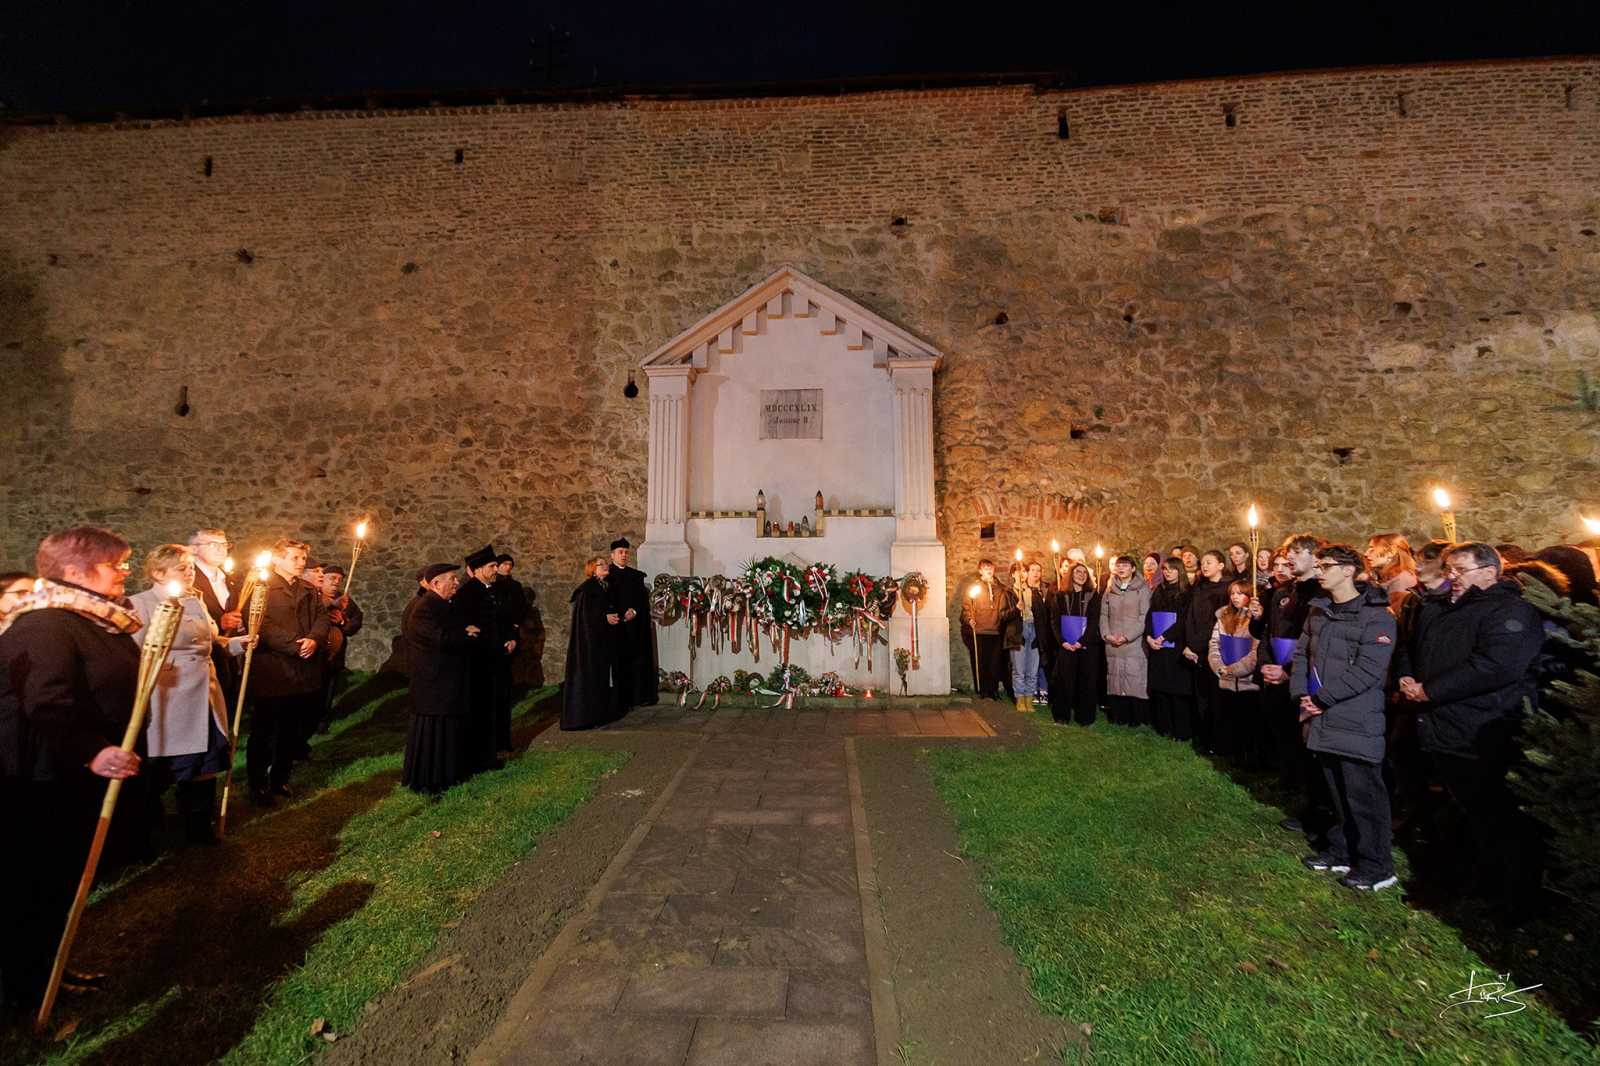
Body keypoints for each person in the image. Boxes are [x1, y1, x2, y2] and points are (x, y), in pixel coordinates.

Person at [0, 527, 146, 1007]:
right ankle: (26, 990)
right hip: (39, 779)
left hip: (68, 776)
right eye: (116, 564)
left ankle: (50, 967)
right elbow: (46, 702)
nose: (125, 571)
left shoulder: (93, 619)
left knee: (60, 880)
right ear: (75, 572)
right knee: (34, 884)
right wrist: (92, 750)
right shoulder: (45, 625)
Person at [1397, 542, 1547, 920]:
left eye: (1459, 570)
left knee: (1489, 817)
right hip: (1433, 725)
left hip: (1479, 729)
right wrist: (1406, 676)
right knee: (1446, 812)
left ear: (1490, 571)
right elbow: (1410, 646)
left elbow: (1497, 665)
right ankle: (1450, 880)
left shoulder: (1511, 611)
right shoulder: (1441, 609)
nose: (1451, 577)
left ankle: (1508, 898)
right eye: (1448, 570)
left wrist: (1431, 690)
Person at [129, 545, 252, 846]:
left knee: (205, 763)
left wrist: (238, 644)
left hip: (205, 695)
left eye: (191, 567)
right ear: (158, 573)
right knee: (164, 766)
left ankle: (199, 826)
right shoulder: (140, 604)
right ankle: (146, 831)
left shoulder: (195, 600)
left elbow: (212, 642)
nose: (190, 572)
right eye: (181, 568)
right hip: (169, 699)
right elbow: (134, 654)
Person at [1293, 544, 1399, 891]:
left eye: (1326, 566)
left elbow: (1370, 669)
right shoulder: (1319, 611)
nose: (1319, 571)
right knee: (1335, 790)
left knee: (1363, 796)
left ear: (1350, 570)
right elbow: (1301, 655)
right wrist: (1301, 695)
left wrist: (1322, 698)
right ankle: (1341, 850)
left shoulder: (1377, 615)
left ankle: (1376, 864)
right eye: (1319, 565)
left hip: (1355, 718)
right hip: (1320, 716)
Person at [1251, 534, 1332, 837]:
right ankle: (1292, 784)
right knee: (1285, 737)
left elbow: (1311, 643)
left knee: (1307, 745)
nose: (1290, 558)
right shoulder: (1280, 592)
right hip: (1274, 673)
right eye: (1288, 553)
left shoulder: (1321, 595)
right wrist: (1265, 665)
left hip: (1301, 678)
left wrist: (1287, 671)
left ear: (1315, 558)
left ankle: (1316, 807)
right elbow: (1267, 632)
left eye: (1297, 553)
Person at [246, 539, 329, 805]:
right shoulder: (262, 587)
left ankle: (280, 777)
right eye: (295, 558)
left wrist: (314, 639)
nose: (301, 563)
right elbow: (262, 623)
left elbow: (321, 617)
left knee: (291, 730)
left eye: (303, 558)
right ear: (278, 559)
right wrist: (294, 645)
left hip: (302, 671)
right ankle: (257, 783)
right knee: (265, 730)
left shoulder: (308, 589)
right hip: (274, 670)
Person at [402, 564, 480, 794]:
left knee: (446, 732)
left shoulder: (443, 605)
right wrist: (468, 634)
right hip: (433, 684)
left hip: (445, 683)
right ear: (436, 584)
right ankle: (430, 779)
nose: (457, 583)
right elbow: (442, 639)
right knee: (432, 735)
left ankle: (447, 773)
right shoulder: (425, 608)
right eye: (452, 579)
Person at [451, 545, 508, 768]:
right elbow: (469, 629)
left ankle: (493, 750)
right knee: (480, 711)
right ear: (477, 569)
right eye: (492, 566)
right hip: (479, 663)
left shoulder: (488, 590)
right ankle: (481, 757)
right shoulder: (468, 594)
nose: (496, 570)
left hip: (493, 660)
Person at [563, 556, 624, 731]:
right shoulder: (587, 589)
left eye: (606, 564)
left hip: (602, 643)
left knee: (602, 679)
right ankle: (586, 717)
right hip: (590, 645)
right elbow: (585, 618)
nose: (606, 566)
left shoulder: (605, 587)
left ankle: (600, 714)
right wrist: (604, 617)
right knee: (590, 678)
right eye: (601, 564)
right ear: (592, 569)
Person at [1183, 550, 1232, 752]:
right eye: (1202, 562)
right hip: (1193, 647)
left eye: (1209, 562)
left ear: (1220, 565)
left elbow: (1216, 621)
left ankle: (1216, 741)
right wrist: (1189, 643)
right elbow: (1190, 616)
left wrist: (1196, 644)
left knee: (1215, 697)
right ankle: (1202, 736)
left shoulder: (1226, 590)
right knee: (1200, 695)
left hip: (1211, 647)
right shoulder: (1200, 587)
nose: (1204, 566)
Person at [1207, 579, 1260, 764]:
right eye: (1233, 593)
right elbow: (1215, 644)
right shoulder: (1223, 617)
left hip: (1247, 683)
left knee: (1247, 723)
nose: (1235, 597)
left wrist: (1236, 669)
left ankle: (1249, 759)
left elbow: (1255, 651)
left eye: (1240, 593)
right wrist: (1219, 666)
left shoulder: (1255, 620)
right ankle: (1229, 754)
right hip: (1226, 680)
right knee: (1228, 720)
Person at [606, 539, 658, 709]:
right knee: (618, 664)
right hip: (616, 628)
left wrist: (634, 611)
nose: (623, 555)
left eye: (626, 552)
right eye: (620, 552)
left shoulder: (635, 577)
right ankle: (620, 699)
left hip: (634, 627)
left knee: (637, 661)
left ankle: (638, 696)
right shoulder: (607, 576)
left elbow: (642, 600)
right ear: (612, 554)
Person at [312, 563, 363, 735]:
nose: (336, 583)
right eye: (332, 578)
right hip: (314, 654)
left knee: (328, 689)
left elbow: (356, 622)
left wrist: (342, 621)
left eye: (340, 580)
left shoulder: (345, 600)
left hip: (334, 655)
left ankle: (321, 721)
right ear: (322, 579)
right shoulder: (313, 597)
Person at [1099, 555, 1150, 726]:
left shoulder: (1141, 589)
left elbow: (1144, 616)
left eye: (1125, 566)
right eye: (1119, 565)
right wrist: (1107, 634)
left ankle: (1135, 718)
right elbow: (1104, 614)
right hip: (1113, 641)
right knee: (1115, 678)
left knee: (1134, 678)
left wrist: (1128, 637)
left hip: (1133, 643)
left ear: (1133, 569)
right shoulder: (1110, 588)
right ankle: (1118, 717)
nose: (1121, 569)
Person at [1048, 561, 1101, 725]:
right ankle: (1062, 716)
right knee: (1065, 681)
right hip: (1066, 646)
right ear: (1071, 574)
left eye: (1084, 573)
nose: (1081, 575)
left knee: (1086, 681)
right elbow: (1054, 621)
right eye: (1078, 572)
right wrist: (1062, 642)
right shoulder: (1061, 595)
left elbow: (1094, 621)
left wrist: (1082, 642)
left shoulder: (1093, 595)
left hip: (1086, 646)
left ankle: (1085, 717)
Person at [1146, 557, 1193, 739]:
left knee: (1177, 690)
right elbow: (1150, 615)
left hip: (1176, 646)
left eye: (1172, 569)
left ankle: (1180, 730)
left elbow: (1183, 620)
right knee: (1161, 688)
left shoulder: (1187, 593)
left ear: (1179, 571)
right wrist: (1150, 637)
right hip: (1158, 647)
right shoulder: (1159, 590)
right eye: (1165, 569)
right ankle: (1163, 726)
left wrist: (1164, 636)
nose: (1167, 572)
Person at [1002, 560, 1051, 713]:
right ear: (1014, 575)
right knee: (1019, 669)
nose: (1022, 574)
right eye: (1019, 571)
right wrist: (1016, 610)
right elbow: (1003, 616)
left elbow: (1041, 616)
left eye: (1024, 571)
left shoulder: (1034, 592)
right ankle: (1020, 699)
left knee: (1032, 669)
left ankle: (1029, 699)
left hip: (1034, 631)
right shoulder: (1009, 593)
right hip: (1018, 633)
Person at [960, 559, 1011, 700]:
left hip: (995, 631)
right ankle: (983, 690)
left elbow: (1004, 607)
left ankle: (993, 690)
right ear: (980, 570)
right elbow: (967, 606)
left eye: (991, 567)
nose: (989, 570)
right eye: (985, 567)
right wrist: (969, 618)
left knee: (994, 663)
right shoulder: (974, 587)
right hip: (980, 631)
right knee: (981, 662)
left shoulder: (999, 588)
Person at [1365, 533, 1418, 615]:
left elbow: (1395, 616)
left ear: (1391, 552)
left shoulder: (1402, 579)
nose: (1366, 554)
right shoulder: (1381, 576)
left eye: (1372, 549)